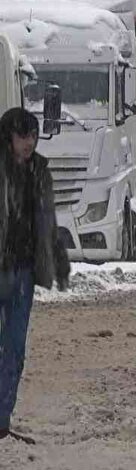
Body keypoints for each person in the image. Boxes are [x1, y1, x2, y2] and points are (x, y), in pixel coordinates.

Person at [0, 108, 71, 445]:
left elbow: (47, 220)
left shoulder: (39, 171)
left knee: (14, 348)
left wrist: (59, 259)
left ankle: (1, 421)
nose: (28, 143)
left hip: (24, 271)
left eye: (33, 136)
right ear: (8, 137)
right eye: (22, 135)